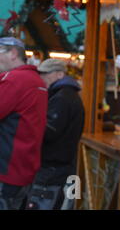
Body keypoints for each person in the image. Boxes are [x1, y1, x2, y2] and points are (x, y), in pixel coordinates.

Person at [25, 59, 84, 210]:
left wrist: (28, 122)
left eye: (45, 74)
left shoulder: (62, 98)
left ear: (59, 74)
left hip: (52, 167)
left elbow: (48, 131)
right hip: (57, 166)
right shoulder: (65, 95)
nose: (41, 77)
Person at [0, 37, 48, 210]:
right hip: (24, 168)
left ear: (13, 53)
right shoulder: (36, 81)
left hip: (7, 170)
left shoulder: (15, 80)